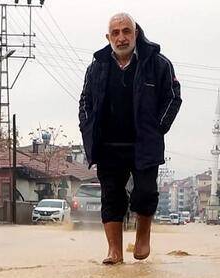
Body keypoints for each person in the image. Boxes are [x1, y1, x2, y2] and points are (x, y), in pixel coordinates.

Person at [79, 13, 182, 265]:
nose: (121, 37)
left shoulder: (158, 64)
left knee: (145, 192)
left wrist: (158, 129)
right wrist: (87, 127)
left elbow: (173, 98)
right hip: (108, 145)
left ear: (135, 34)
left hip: (144, 144)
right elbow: (85, 101)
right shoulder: (97, 67)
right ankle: (114, 251)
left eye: (126, 31)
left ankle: (143, 237)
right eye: (115, 33)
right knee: (111, 196)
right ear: (108, 37)